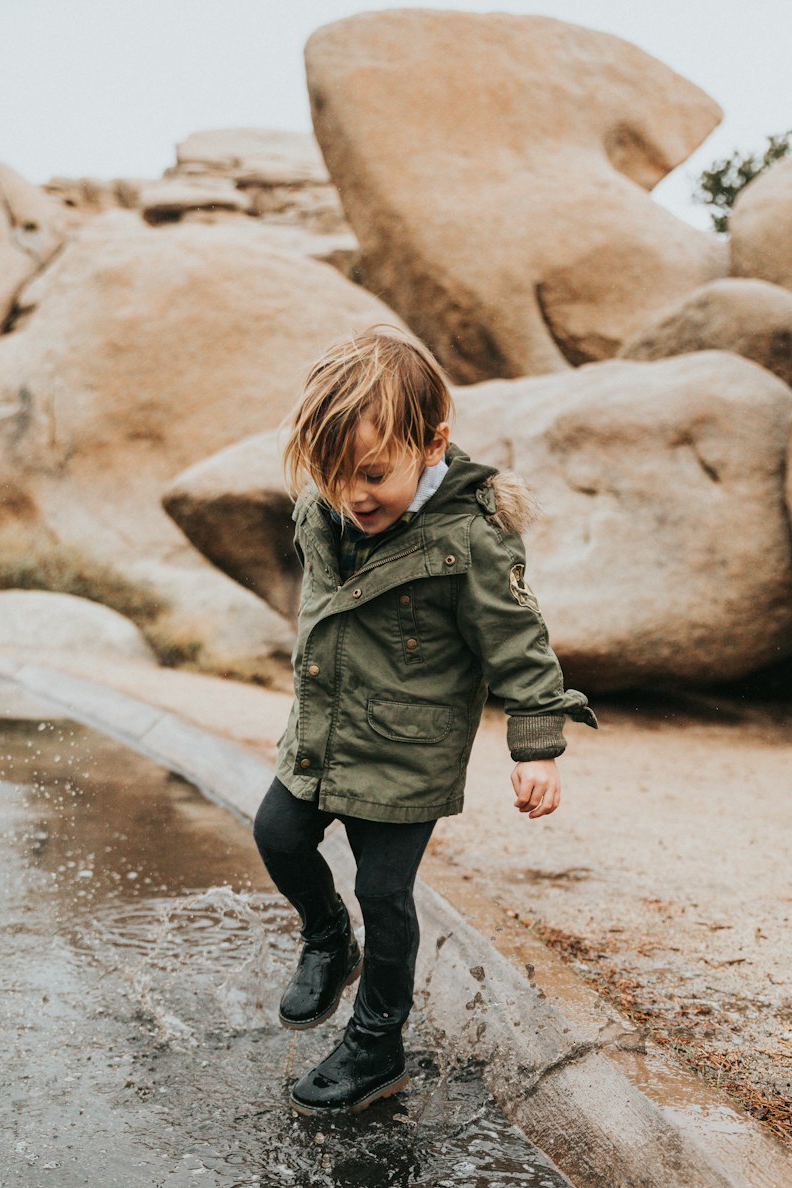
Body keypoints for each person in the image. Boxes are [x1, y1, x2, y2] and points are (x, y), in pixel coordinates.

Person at [253, 326, 597, 1117]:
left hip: (409, 753)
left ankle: (376, 1045)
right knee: (276, 836)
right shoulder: (328, 508)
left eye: (373, 474)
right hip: (321, 735)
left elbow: (518, 641)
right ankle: (326, 938)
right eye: (334, 476)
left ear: (432, 442)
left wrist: (538, 745)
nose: (354, 496)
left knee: (385, 888)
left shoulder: (470, 539)